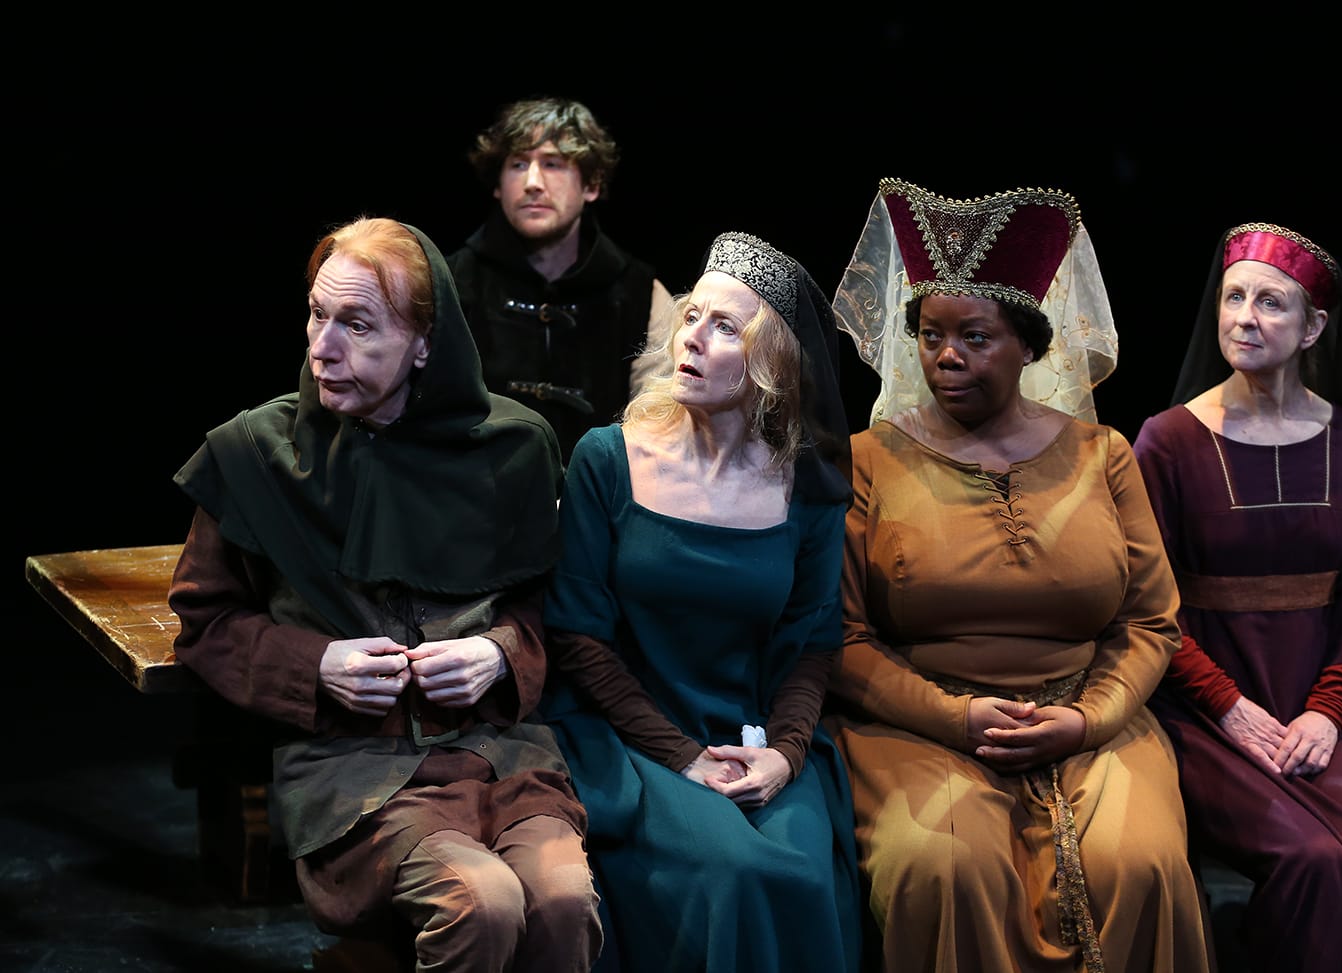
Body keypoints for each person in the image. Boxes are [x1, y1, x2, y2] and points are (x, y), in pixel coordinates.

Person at [167, 216, 602, 972]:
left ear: (424, 343)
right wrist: (316, 664)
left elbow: (544, 610)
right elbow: (205, 623)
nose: (323, 346)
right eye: (316, 313)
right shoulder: (255, 456)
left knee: (562, 904)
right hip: (355, 774)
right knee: (482, 902)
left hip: (500, 758)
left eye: (358, 325)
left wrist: (496, 655)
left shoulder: (512, 449)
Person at [827, 178, 1214, 973]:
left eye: (973, 335)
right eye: (930, 335)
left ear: (1031, 346)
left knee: (1137, 863)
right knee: (945, 868)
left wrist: (1090, 719)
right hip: (919, 723)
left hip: (1091, 718)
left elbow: (1149, 622)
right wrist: (955, 716)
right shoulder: (869, 460)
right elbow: (843, 635)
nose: (945, 356)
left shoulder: (1101, 454)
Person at [537, 231, 862, 972]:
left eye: (725, 327)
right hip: (628, 738)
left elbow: (814, 641)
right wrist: (682, 758)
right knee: (737, 872)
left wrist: (783, 755)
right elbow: (578, 637)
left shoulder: (804, 487)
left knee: (801, 868)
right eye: (692, 317)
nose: (693, 339)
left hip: (756, 735)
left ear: (771, 361)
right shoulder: (607, 458)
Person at [1131, 222, 1342, 973]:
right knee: (1313, 858)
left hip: (1320, 706)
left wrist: (1326, 708)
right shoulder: (1167, 441)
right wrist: (1224, 702)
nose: (1246, 316)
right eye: (1233, 297)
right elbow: (1146, 603)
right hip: (1204, 711)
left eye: (1271, 302)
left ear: (1314, 325)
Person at [447, 95, 674, 458]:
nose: (533, 182)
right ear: (497, 183)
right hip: (475, 498)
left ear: (591, 185)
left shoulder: (643, 295)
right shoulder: (450, 283)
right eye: (518, 164)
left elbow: (658, 427)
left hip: (598, 501)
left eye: (553, 164)